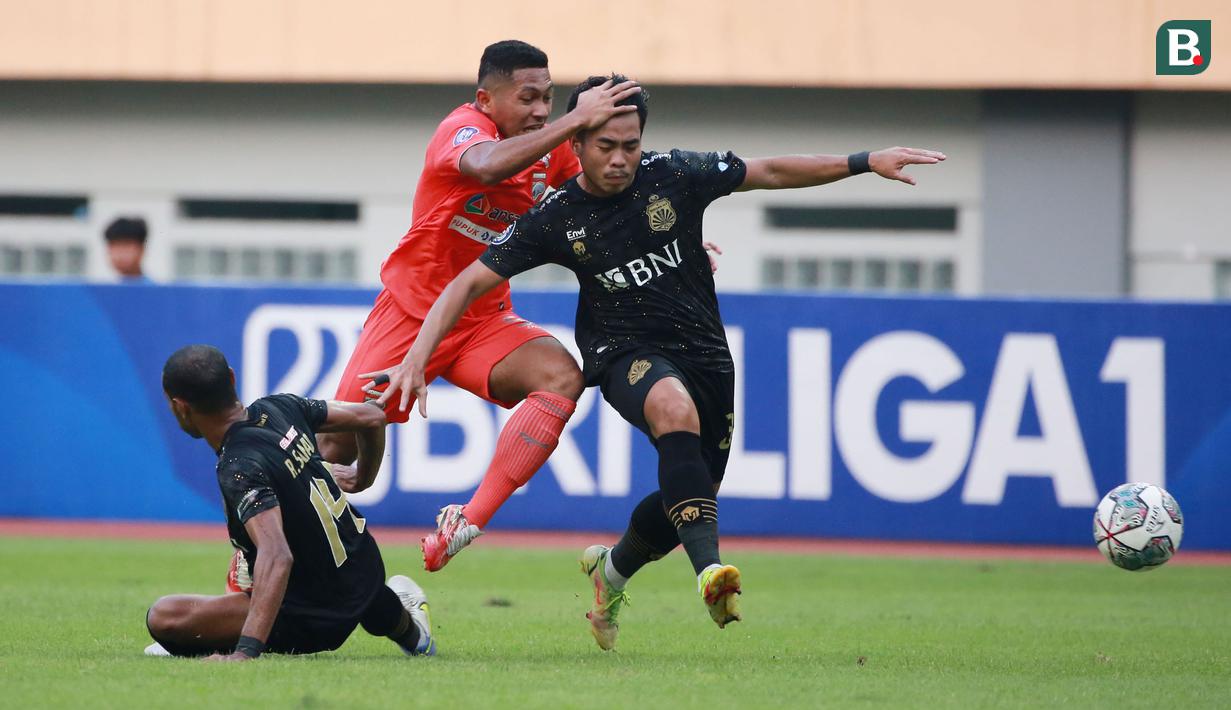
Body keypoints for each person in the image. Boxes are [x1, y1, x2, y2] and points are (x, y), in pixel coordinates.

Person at [367, 74, 946, 650]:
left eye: (630, 145)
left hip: (705, 354)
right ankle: (710, 574)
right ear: (576, 145)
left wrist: (865, 160)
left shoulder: (674, 175)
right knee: (673, 410)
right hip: (622, 354)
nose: (619, 159)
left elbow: (768, 171)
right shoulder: (556, 216)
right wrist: (418, 355)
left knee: (696, 486)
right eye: (604, 146)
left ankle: (611, 572)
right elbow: (466, 282)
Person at [318, 40, 641, 572]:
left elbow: (608, 190)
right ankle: (251, 567)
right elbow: (487, 167)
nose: (541, 110)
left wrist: (670, 229)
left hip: (482, 321)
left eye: (548, 98)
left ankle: (465, 520)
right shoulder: (463, 128)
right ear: (486, 100)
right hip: (411, 315)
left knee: (562, 378)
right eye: (528, 97)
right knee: (336, 449)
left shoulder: (549, 149)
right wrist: (570, 121)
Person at [144, 344, 436, 660]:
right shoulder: (280, 407)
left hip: (308, 620)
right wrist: (361, 478)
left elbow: (277, 555)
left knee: (165, 616)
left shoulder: (238, 466)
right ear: (231, 378)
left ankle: (211, 639)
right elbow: (372, 416)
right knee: (347, 578)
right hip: (363, 572)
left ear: (180, 407)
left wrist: (245, 652)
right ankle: (415, 636)